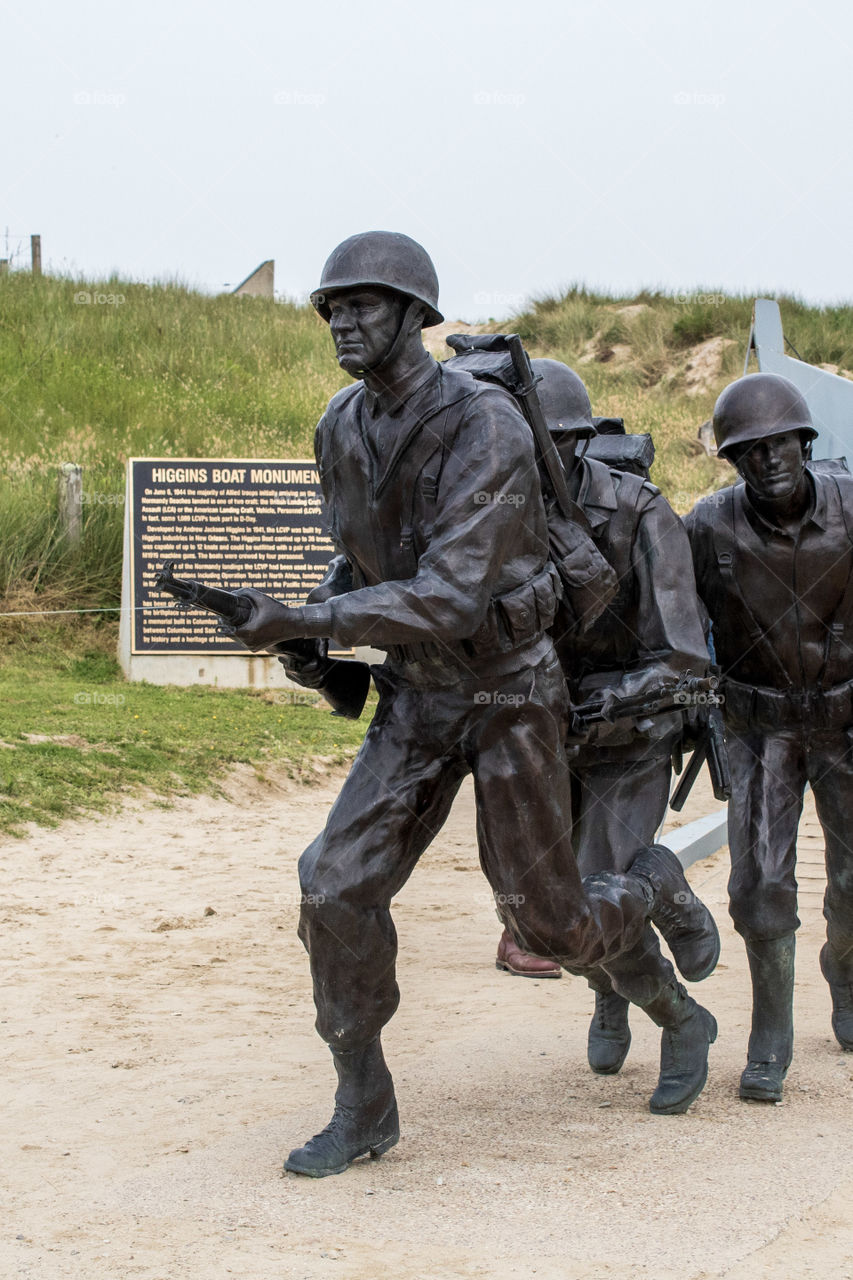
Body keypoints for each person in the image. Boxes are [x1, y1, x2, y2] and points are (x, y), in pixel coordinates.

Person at [229, 231, 720, 1177]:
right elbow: (358, 552)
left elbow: (453, 591)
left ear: (416, 314)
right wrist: (315, 643)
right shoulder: (338, 422)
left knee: (550, 927)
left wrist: (307, 613)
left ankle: (656, 911)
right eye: (331, 306)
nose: (341, 320)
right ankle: (363, 1103)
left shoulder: (485, 422)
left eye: (363, 304)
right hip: (418, 693)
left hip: (507, 689)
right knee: (332, 885)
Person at [493, 361, 713, 1074]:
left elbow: (686, 658)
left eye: (544, 444)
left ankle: (679, 1016)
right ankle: (611, 994)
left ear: (578, 442)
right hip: (538, 745)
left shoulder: (639, 512)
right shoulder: (491, 517)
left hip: (630, 737)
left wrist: (605, 698)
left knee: (592, 893)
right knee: (536, 915)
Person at [685, 371, 853, 1103]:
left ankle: (842, 970)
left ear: (804, 442)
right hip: (759, 727)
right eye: (747, 452)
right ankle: (770, 1032)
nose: (766, 461)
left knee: (851, 885)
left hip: (845, 721)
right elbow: (680, 622)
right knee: (758, 885)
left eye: (778, 444)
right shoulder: (708, 526)